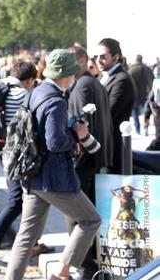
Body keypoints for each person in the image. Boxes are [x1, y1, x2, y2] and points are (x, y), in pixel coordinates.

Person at [4, 49, 101, 280]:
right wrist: (77, 134)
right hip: (53, 177)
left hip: (30, 173)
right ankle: (62, 272)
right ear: (67, 74)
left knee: (26, 236)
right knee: (91, 219)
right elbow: (56, 143)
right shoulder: (56, 101)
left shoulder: (35, 92)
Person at [0, 61, 55, 274]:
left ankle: (32, 244)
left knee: (27, 200)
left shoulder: (0, 89)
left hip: (4, 153)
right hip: (18, 157)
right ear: (29, 80)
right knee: (16, 202)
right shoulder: (23, 95)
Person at [66, 45, 113, 278]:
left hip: (85, 161)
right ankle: (87, 266)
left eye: (71, 60)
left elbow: (84, 125)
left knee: (80, 217)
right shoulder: (93, 83)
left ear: (83, 61)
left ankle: (84, 267)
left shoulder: (84, 85)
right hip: (94, 159)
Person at [97, 38, 137, 174]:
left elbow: (109, 113)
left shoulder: (122, 80)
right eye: (96, 56)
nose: (98, 60)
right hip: (101, 147)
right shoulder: (102, 77)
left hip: (113, 148)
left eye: (103, 57)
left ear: (116, 57)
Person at [128, 54, 154, 135]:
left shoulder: (132, 70)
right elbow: (152, 80)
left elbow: (129, 83)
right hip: (147, 94)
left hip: (135, 95)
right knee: (147, 113)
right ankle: (145, 127)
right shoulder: (147, 69)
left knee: (135, 113)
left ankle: (137, 129)